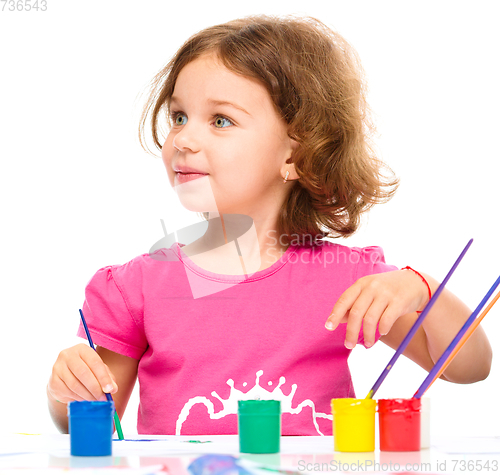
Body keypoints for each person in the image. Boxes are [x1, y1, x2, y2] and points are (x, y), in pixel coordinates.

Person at [47, 14, 491, 436]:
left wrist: (421, 287)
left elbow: (469, 367)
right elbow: (93, 424)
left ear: (295, 155)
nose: (182, 138)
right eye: (179, 116)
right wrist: (66, 391)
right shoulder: (133, 288)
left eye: (221, 120)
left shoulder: (347, 280)